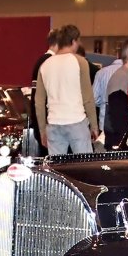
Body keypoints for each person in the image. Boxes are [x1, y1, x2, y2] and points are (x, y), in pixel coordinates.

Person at [34, 24, 98, 156]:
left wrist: (42, 130)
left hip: (53, 123)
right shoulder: (80, 62)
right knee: (84, 164)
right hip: (76, 121)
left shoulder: (45, 65)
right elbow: (87, 97)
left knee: (56, 166)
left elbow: (39, 102)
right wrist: (94, 125)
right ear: (74, 41)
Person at [29, 27, 59, 157]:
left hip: (40, 121)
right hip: (47, 122)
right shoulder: (50, 62)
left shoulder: (41, 61)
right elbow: (44, 98)